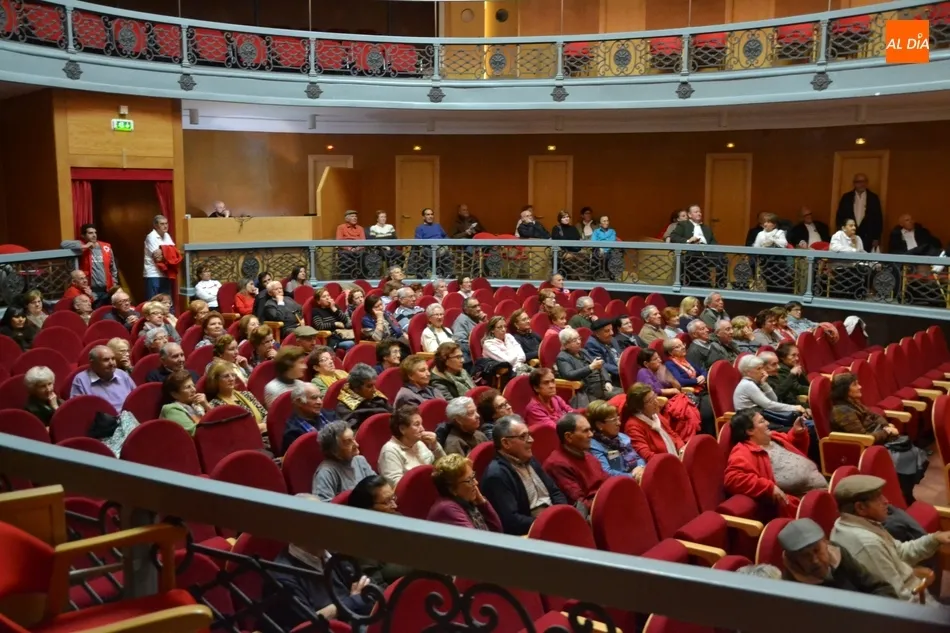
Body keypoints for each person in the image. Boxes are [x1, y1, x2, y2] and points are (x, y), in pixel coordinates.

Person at [830, 474, 950, 603]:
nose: (886, 501)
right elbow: (899, 599)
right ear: (860, 507)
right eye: (878, 498)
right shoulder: (868, 545)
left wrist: (935, 538)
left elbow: (900, 552)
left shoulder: (852, 522)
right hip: (916, 609)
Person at [830, 373, 927, 502]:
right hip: (866, 448)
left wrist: (886, 426)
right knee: (906, 457)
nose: (860, 386)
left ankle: (904, 493)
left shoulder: (853, 403)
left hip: (878, 439)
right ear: (844, 390)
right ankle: (901, 495)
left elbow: (876, 416)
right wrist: (887, 432)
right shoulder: (841, 411)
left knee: (916, 454)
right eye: (855, 385)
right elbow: (864, 438)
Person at [480, 415, 568, 535]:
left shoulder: (530, 459)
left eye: (529, 435)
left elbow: (555, 492)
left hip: (553, 521)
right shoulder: (496, 476)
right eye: (523, 436)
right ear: (506, 443)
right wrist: (547, 523)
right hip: (532, 533)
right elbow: (512, 521)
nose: (531, 440)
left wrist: (561, 514)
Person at [724, 408, 819, 519]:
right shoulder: (743, 451)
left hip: (816, 488)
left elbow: (792, 445)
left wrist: (797, 433)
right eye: (762, 421)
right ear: (750, 431)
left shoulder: (773, 437)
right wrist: (769, 487)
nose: (768, 423)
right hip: (801, 504)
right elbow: (732, 478)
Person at [778, 518, 898, 597]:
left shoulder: (836, 552)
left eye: (817, 550)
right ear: (793, 561)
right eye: (805, 556)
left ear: (825, 543)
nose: (815, 560)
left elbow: (877, 586)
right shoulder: (791, 590)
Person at [543, 413, 608, 515]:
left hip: (604, 503)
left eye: (590, 430)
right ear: (569, 437)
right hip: (592, 515)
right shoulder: (557, 464)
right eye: (585, 431)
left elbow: (606, 482)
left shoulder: (587, 455)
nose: (591, 434)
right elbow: (580, 505)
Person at [636, 347, 700, 441]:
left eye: (659, 357)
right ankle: (687, 440)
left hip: (669, 400)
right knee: (686, 412)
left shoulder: (658, 371)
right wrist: (671, 391)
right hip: (659, 404)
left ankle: (692, 438)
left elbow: (677, 386)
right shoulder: (643, 372)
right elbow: (651, 390)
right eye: (655, 359)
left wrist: (668, 375)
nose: (660, 360)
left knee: (689, 406)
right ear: (646, 363)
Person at [428, 453, 502, 532]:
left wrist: (482, 502)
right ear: (452, 489)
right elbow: (476, 541)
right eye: (469, 480)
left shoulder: (466, 500)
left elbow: (497, 530)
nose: (476, 483)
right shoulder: (447, 509)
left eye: (473, 476)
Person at [377, 405, 445, 485]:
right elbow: (397, 485)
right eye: (417, 425)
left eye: (421, 424)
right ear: (402, 429)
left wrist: (435, 445)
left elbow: (444, 465)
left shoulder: (418, 443)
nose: (422, 429)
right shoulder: (389, 451)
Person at [312, 421, 376, 501]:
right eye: (348, 442)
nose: (356, 445)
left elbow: (377, 489)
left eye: (353, 439)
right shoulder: (326, 473)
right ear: (334, 450)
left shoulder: (360, 460)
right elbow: (324, 508)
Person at [622, 383, 685, 461]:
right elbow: (647, 456)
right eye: (650, 401)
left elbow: (673, 434)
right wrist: (672, 462)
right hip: (661, 465)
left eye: (654, 396)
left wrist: (682, 449)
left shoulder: (655, 415)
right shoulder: (633, 427)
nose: (656, 402)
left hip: (676, 459)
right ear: (639, 407)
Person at [61, 223, 119, 304]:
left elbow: (113, 268)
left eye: (95, 233)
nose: (94, 235)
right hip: (90, 290)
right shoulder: (81, 246)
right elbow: (63, 244)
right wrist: (84, 246)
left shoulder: (106, 247)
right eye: (90, 233)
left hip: (107, 289)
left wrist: (114, 283)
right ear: (83, 235)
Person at [556, 327, 614, 407]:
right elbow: (569, 375)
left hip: (603, 387)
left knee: (624, 396)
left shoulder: (583, 351)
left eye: (579, 338)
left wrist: (607, 381)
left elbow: (600, 365)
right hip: (586, 392)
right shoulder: (562, 357)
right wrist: (590, 367)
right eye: (574, 340)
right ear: (565, 345)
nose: (579, 342)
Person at [587, 400, 645, 480]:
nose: (619, 423)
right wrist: (632, 476)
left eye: (618, 418)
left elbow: (638, 458)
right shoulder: (594, 447)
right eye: (614, 420)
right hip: (620, 485)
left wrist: (641, 467)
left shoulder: (621, 437)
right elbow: (607, 473)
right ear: (599, 425)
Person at [206, 360, 266, 434]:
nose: (231, 379)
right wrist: (257, 428)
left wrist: (263, 426)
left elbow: (265, 414)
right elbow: (232, 431)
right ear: (215, 380)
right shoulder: (215, 405)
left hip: (265, 432)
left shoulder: (246, 394)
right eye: (226, 376)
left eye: (233, 375)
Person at [70, 345, 136, 412]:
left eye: (113, 359)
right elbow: (77, 411)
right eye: (106, 360)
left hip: (131, 417)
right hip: (103, 421)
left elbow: (136, 398)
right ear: (92, 363)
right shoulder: (81, 380)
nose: (111, 363)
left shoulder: (122, 375)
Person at [335, 363, 392, 431]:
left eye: (374, 385)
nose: (374, 390)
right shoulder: (344, 407)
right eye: (369, 386)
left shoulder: (378, 397)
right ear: (356, 388)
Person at [835, 172, 883, 252]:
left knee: (865, 260)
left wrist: (876, 237)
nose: (862, 184)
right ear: (854, 183)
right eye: (859, 182)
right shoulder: (846, 197)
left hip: (868, 235)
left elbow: (878, 218)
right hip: (849, 234)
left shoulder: (873, 198)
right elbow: (840, 217)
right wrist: (842, 233)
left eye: (864, 181)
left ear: (867, 183)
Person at [284, 382, 335, 453]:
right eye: (314, 398)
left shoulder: (330, 414)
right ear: (299, 402)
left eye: (320, 397)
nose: (320, 402)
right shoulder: (292, 433)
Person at [159, 370, 211, 436]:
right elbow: (195, 434)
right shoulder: (171, 410)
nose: (194, 390)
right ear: (175, 394)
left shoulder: (196, 404)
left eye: (193, 386)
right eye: (188, 387)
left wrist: (207, 406)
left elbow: (218, 423)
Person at [144, 215, 176, 299]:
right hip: (153, 273)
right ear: (155, 225)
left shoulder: (167, 235)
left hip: (166, 273)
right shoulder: (151, 236)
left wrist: (162, 250)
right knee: (153, 301)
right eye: (162, 224)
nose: (165, 226)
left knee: (166, 301)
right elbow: (157, 258)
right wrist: (167, 251)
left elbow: (174, 254)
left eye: (166, 223)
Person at [452, 297, 485, 365]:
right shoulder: (461, 321)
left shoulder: (478, 318)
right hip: (471, 358)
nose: (479, 309)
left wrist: (485, 322)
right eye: (474, 307)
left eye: (479, 305)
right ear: (466, 310)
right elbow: (460, 342)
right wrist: (480, 346)